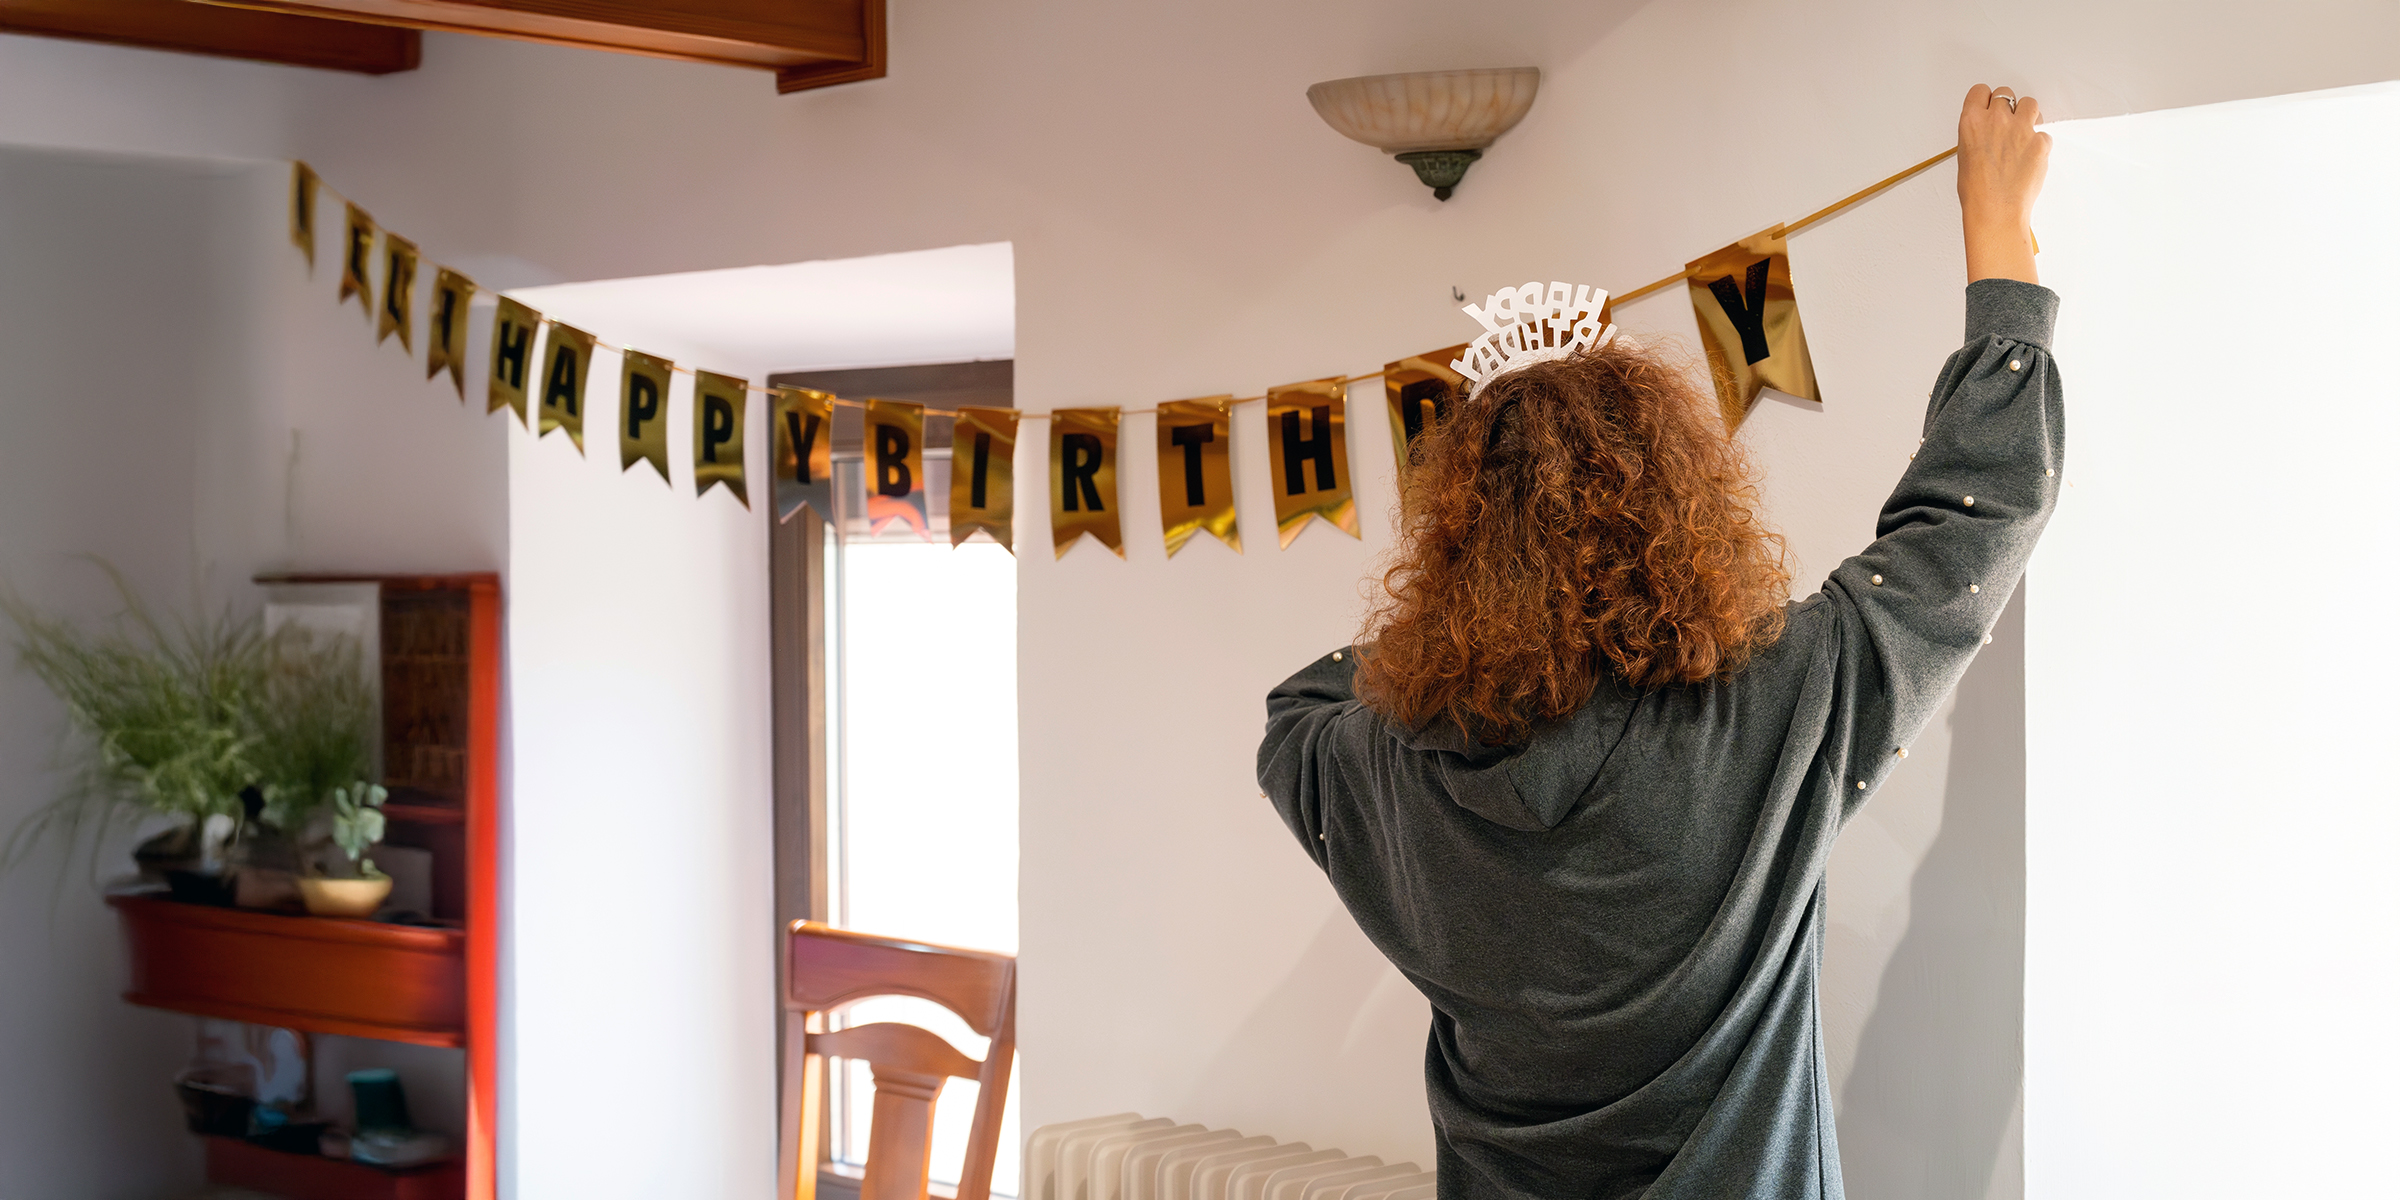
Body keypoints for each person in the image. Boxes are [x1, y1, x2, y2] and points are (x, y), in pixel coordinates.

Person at [1256, 86, 2056, 1200]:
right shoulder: (1777, 706)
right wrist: (2000, 251)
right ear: (1683, 505)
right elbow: (1968, 524)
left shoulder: (1381, 770)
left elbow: (1295, 710)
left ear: (1456, 541)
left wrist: (1453, 614)